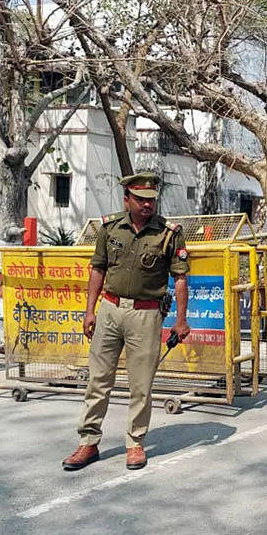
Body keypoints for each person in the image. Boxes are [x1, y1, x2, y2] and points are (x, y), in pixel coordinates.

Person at [62, 172, 191, 471]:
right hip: (109, 309)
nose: (147, 205)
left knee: (141, 384)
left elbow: (180, 278)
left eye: (152, 200)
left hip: (146, 315)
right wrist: (89, 310)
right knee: (98, 379)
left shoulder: (170, 233)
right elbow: (98, 268)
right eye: (141, 200)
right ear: (127, 199)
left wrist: (180, 320)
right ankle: (89, 441)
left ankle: (135, 444)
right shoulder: (110, 228)